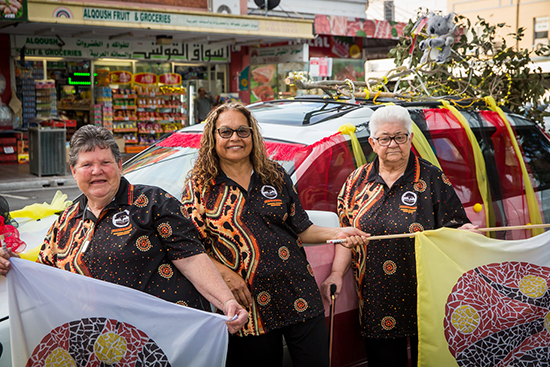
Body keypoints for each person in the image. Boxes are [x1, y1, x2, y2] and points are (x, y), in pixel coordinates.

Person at [0, 125, 248, 335]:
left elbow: (192, 259)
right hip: (104, 343)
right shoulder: (66, 221)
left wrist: (226, 302)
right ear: (74, 172)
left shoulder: (152, 202)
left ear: (119, 165)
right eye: (87, 165)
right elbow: (45, 275)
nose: (97, 171)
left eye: (105, 162)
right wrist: (11, 264)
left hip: (163, 338)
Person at [181, 103, 369, 367]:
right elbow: (192, 249)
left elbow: (302, 229)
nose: (235, 138)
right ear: (213, 138)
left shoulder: (275, 175)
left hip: (299, 294)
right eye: (225, 132)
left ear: (253, 136)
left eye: (242, 131)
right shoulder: (199, 186)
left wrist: (340, 232)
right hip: (248, 307)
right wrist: (225, 275)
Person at [320, 105, 478, 367]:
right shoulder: (356, 182)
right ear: (373, 142)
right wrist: (336, 273)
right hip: (376, 297)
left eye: (400, 137)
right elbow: (345, 234)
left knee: (427, 361)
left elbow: (454, 229)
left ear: (410, 139)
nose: (392, 144)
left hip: (426, 294)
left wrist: (463, 234)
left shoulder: (431, 178)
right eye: (384, 138)